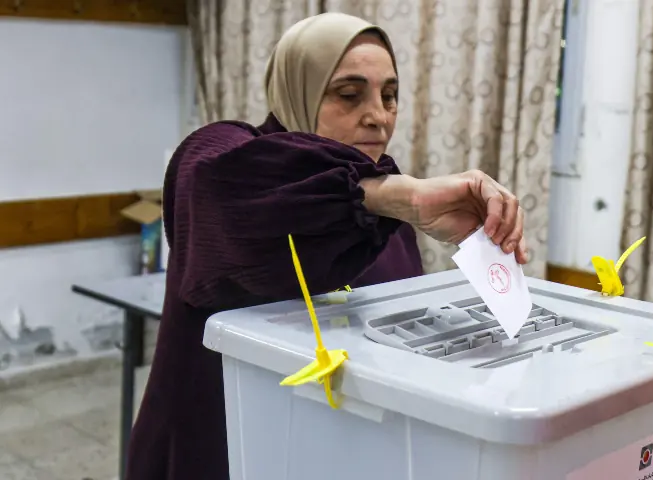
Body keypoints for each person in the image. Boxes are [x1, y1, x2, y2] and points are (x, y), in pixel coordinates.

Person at [125, 12, 528, 480]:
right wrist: (387, 196)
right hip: (219, 446)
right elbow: (227, 193)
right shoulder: (226, 156)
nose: (378, 115)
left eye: (390, 95)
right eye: (349, 94)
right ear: (300, 88)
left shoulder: (386, 214)